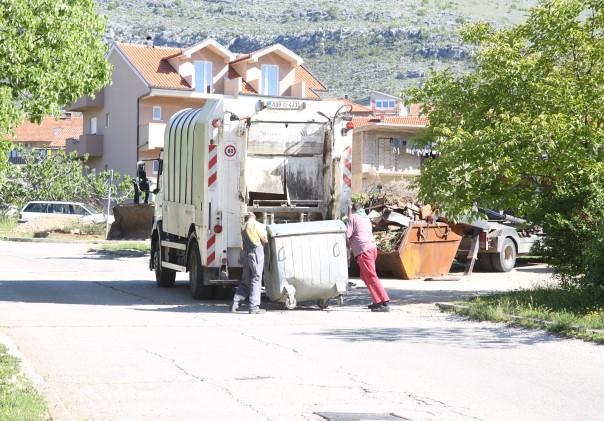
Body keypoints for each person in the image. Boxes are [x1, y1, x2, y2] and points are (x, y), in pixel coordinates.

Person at [347, 203, 391, 312]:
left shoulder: (353, 217)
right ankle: (377, 301)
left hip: (363, 250)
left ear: (352, 210)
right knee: (365, 276)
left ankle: (384, 302)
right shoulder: (366, 218)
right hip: (371, 248)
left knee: (371, 276)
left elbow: (347, 234)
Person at [232, 212, 268, 314]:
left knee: (246, 280)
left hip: (247, 254)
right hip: (256, 253)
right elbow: (264, 240)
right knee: (256, 278)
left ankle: (236, 304)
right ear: (254, 217)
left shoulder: (243, 227)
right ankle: (254, 307)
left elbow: (242, 245)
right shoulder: (255, 225)